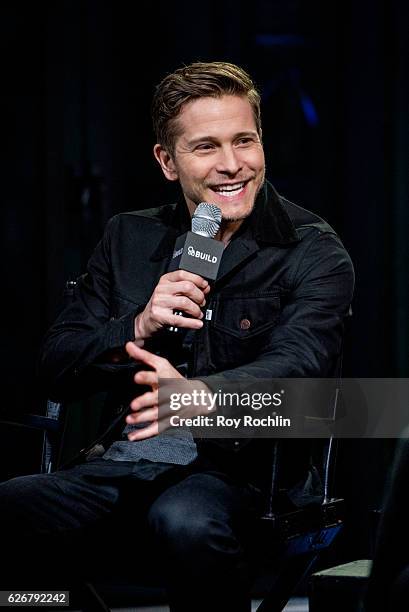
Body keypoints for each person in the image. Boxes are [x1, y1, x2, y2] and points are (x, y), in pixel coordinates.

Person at [0, 61, 354, 611]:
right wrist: (135, 325)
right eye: (206, 147)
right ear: (168, 162)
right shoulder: (129, 236)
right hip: (126, 463)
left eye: (245, 141)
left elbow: (300, 369)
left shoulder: (313, 250)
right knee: (13, 508)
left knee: (183, 518)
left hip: (248, 473)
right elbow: (55, 364)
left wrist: (199, 399)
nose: (232, 165)